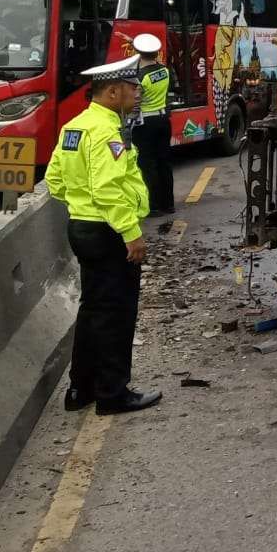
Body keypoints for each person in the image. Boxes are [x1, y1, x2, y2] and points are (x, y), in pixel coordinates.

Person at [45, 56, 161, 416]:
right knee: (116, 313)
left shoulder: (75, 127)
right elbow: (108, 189)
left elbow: (54, 181)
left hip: (83, 227)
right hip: (109, 232)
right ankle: (113, 393)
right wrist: (131, 233)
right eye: (132, 88)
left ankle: (81, 389)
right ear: (112, 92)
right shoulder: (107, 131)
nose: (139, 93)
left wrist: (81, 207)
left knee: (93, 309)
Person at [130, 33, 175, 217]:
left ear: (139, 53)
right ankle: (169, 204)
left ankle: (154, 205)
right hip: (163, 120)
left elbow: (136, 102)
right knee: (164, 162)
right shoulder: (164, 71)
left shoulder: (140, 77)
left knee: (148, 164)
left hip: (145, 123)